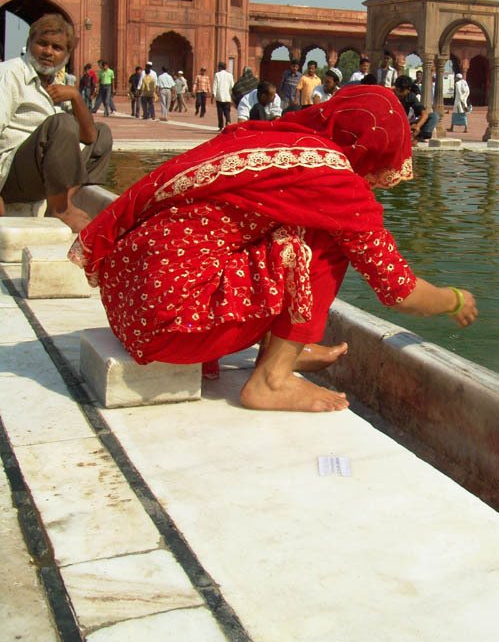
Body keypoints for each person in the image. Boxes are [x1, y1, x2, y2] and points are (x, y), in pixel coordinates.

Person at [69, 85, 478, 411]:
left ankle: (281, 350)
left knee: (289, 225)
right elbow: (399, 291)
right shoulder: (335, 179)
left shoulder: (274, 139)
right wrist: (454, 301)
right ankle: (272, 379)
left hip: (126, 304)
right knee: (323, 239)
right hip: (166, 326)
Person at [0, 13, 112, 232]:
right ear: (29, 43)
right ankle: (61, 209)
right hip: (12, 177)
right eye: (42, 44)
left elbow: (89, 138)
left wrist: (76, 97)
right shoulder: (9, 74)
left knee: (101, 134)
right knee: (62, 123)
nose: (48, 52)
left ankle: (61, 204)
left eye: (57, 48)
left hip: (39, 175)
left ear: (67, 55)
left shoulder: (55, 82)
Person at [394, 75, 438, 141]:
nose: (399, 93)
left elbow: (424, 114)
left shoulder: (410, 96)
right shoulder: (389, 94)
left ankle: (416, 138)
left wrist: (418, 126)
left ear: (408, 90)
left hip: (406, 124)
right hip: (393, 125)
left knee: (433, 116)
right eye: (397, 90)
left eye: (402, 91)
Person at [212, 61, 234, 130]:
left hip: (219, 96)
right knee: (227, 111)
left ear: (220, 67)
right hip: (227, 97)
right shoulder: (230, 75)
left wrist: (213, 95)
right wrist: (232, 95)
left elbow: (215, 85)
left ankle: (220, 126)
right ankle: (228, 122)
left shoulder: (217, 75)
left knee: (220, 112)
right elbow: (232, 86)